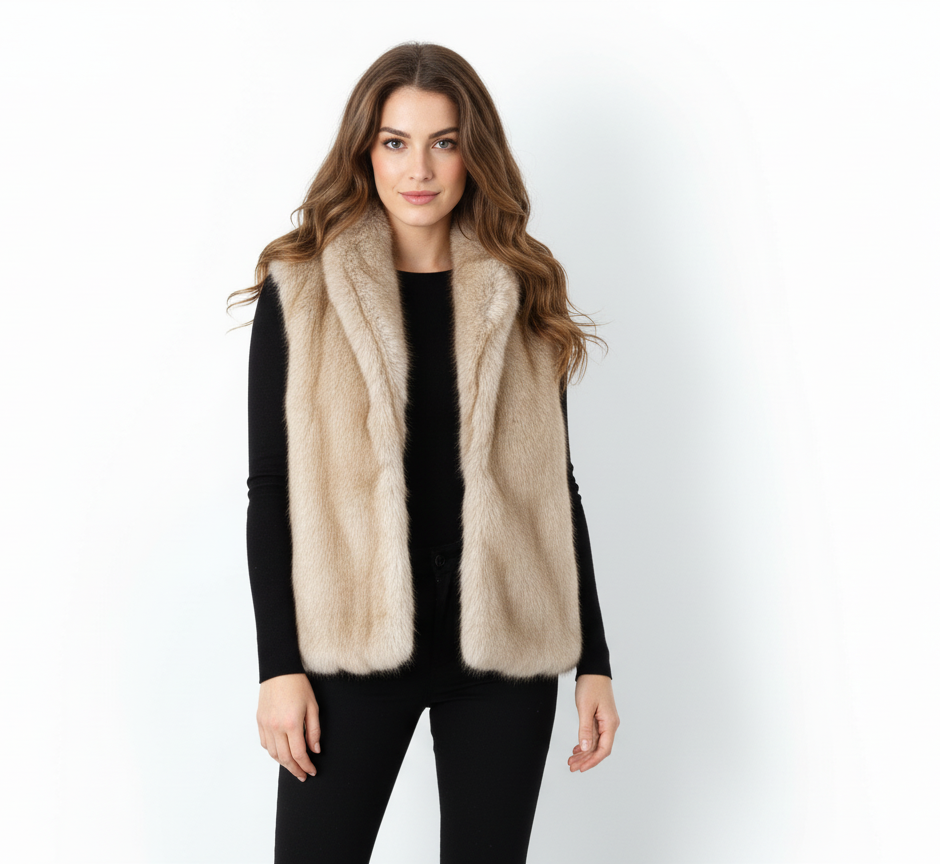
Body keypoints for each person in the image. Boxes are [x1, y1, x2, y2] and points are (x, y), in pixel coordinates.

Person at [227, 41, 620, 864]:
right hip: (352, 635)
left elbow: (557, 487)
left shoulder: (520, 285)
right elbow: (272, 490)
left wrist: (594, 660)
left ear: (473, 154)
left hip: (505, 642)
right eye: (395, 142)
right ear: (364, 152)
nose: (420, 169)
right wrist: (278, 669)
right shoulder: (302, 288)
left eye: (444, 142)